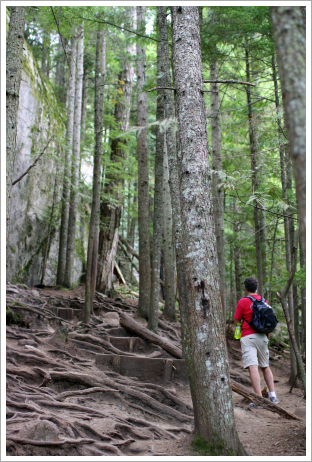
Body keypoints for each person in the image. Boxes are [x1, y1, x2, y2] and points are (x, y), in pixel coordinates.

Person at [234, 277, 279, 407]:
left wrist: (240, 326)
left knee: (253, 367)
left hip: (248, 337)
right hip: (263, 336)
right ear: (256, 287)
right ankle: (273, 395)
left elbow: (236, 320)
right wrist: (267, 335)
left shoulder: (242, 302)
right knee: (265, 366)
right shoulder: (264, 301)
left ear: (245, 288)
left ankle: (258, 399)